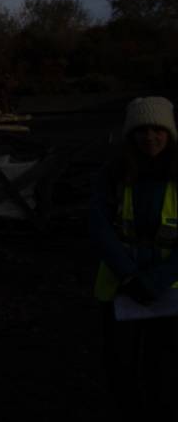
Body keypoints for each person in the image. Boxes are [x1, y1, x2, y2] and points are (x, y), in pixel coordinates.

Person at [90, 96, 178, 416]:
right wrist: (129, 275)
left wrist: (156, 280)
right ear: (130, 135)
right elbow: (98, 225)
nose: (150, 137)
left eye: (158, 129)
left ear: (170, 133)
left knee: (164, 367)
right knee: (120, 365)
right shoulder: (112, 174)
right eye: (142, 130)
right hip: (120, 288)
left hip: (169, 290)